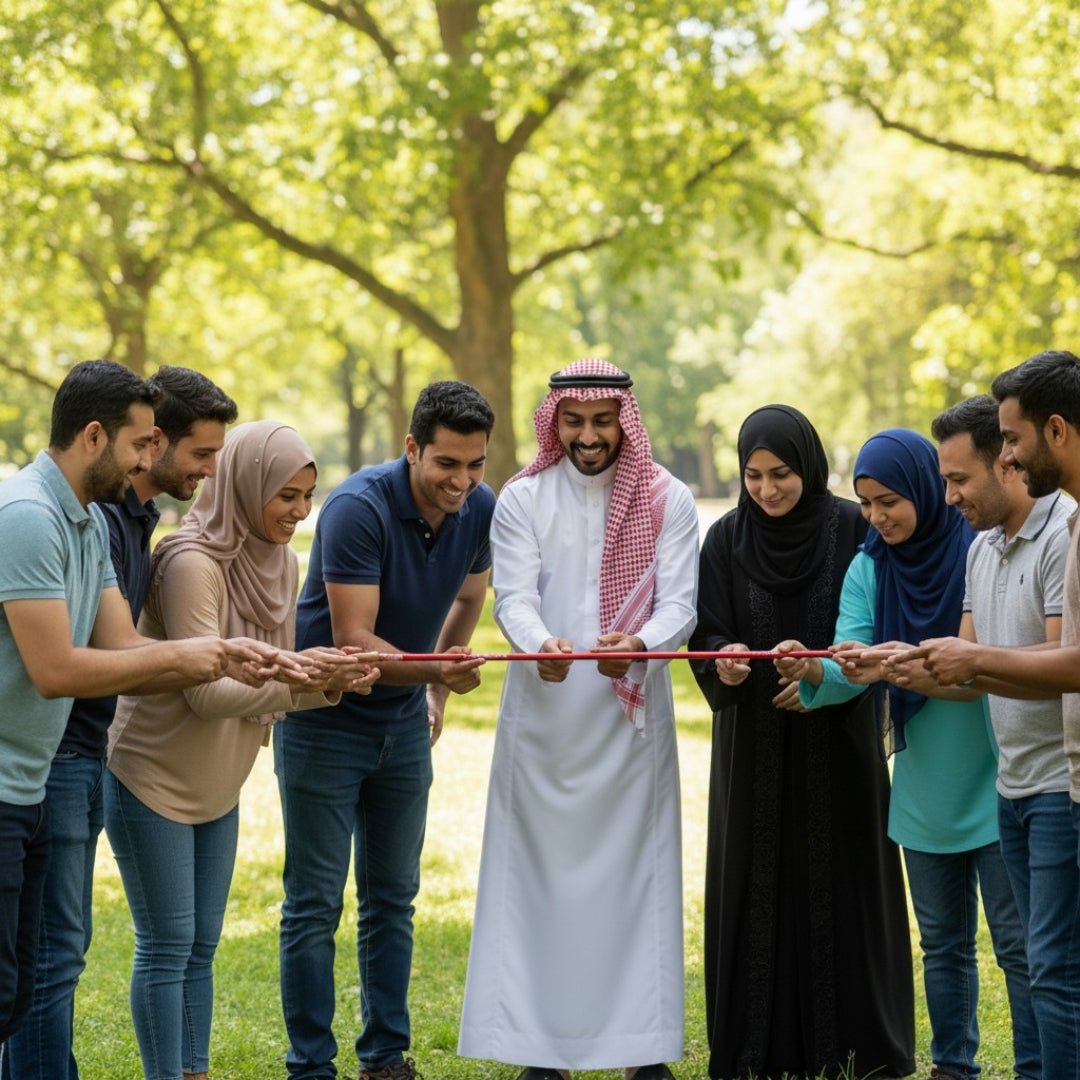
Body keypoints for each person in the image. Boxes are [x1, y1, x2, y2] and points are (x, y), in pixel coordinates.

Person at [0, 360, 265, 1061]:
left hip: (41, 775)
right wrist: (192, 658)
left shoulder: (88, 521)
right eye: (140, 443)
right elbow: (56, 669)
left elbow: (121, 643)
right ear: (94, 436)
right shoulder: (28, 518)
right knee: (31, 976)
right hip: (21, 778)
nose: (148, 458)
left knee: (35, 975)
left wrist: (228, 653)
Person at [105, 420, 376, 1080]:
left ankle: (193, 1073)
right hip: (152, 774)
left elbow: (273, 678)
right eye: (285, 494)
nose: (299, 511)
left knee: (201, 947)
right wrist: (304, 675)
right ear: (243, 483)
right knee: (167, 946)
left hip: (220, 779)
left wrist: (326, 682)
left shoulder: (279, 562)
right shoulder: (191, 561)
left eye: (307, 496)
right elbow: (207, 691)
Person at [457, 358, 699, 1080]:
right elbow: (515, 598)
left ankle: (641, 1050)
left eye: (601, 421)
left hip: (631, 723)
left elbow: (680, 604)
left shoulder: (669, 497)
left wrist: (646, 646)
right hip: (545, 714)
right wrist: (538, 645)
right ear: (553, 421)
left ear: (624, 420)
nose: (588, 436)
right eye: (574, 421)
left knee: (636, 883)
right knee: (540, 884)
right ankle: (541, 1051)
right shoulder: (524, 497)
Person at [787, 428, 1037, 1080]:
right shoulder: (869, 566)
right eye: (866, 503)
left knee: (1018, 944)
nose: (877, 517)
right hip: (924, 783)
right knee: (943, 945)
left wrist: (897, 666)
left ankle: (1040, 1067)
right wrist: (812, 669)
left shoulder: (979, 549)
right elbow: (852, 661)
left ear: (926, 488)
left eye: (889, 500)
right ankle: (953, 1067)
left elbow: (986, 663)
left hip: (998, 772)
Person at [275, 381, 496, 1080]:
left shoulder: (478, 507)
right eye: (446, 464)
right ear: (411, 449)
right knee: (313, 903)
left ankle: (385, 1058)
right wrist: (434, 670)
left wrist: (434, 686)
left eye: (476, 465)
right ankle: (311, 1064)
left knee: (392, 898)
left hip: (400, 729)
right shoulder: (355, 509)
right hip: (325, 722)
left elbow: (469, 592)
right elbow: (355, 641)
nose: (461, 482)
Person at [688, 405, 914, 1080]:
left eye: (781, 473)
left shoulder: (852, 526)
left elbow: (876, 621)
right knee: (756, 883)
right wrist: (724, 659)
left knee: (843, 879)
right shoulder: (726, 538)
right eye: (753, 475)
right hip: (751, 742)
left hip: (838, 740)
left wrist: (825, 676)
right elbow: (705, 635)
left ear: (808, 466)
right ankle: (757, 1048)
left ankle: (858, 1046)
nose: (767, 489)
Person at [915, 395, 1078, 1080]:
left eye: (959, 479)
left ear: (1006, 465)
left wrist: (970, 660)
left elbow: (1058, 667)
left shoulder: (1063, 532)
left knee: (1053, 968)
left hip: (1056, 786)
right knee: (1036, 964)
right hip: (1011, 788)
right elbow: (970, 669)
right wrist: (888, 663)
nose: (948, 496)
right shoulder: (981, 548)